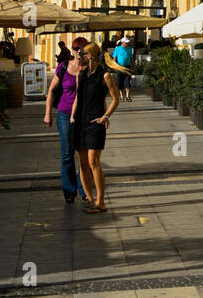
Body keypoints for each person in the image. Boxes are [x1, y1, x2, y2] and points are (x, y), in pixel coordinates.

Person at [71, 42, 125, 213]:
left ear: (89, 56)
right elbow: (78, 98)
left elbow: (116, 99)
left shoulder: (105, 75)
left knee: (93, 162)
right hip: (79, 122)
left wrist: (105, 116)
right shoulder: (81, 75)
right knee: (82, 163)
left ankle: (101, 202)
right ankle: (90, 200)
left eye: (81, 54)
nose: (78, 57)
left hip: (95, 122)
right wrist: (72, 117)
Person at [44, 45, 86, 203]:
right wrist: (48, 113)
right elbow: (51, 90)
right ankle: (69, 191)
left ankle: (83, 189)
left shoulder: (88, 69)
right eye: (76, 48)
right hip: (64, 114)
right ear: (72, 50)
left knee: (83, 153)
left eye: (82, 49)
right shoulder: (63, 67)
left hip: (83, 115)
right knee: (67, 153)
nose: (79, 52)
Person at [113, 36, 135, 102]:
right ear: (122, 43)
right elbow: (114, 58)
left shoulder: (129, 49)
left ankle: (127, 96)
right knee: (119, 81)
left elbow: (131, 58)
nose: (127, 44)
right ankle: (121, 96)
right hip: (119, 67)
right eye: (126, 43)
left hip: (127, 66)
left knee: (127, 81)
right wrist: (115, 67)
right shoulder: (117, 49)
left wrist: (133, 67)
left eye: (127, 43)